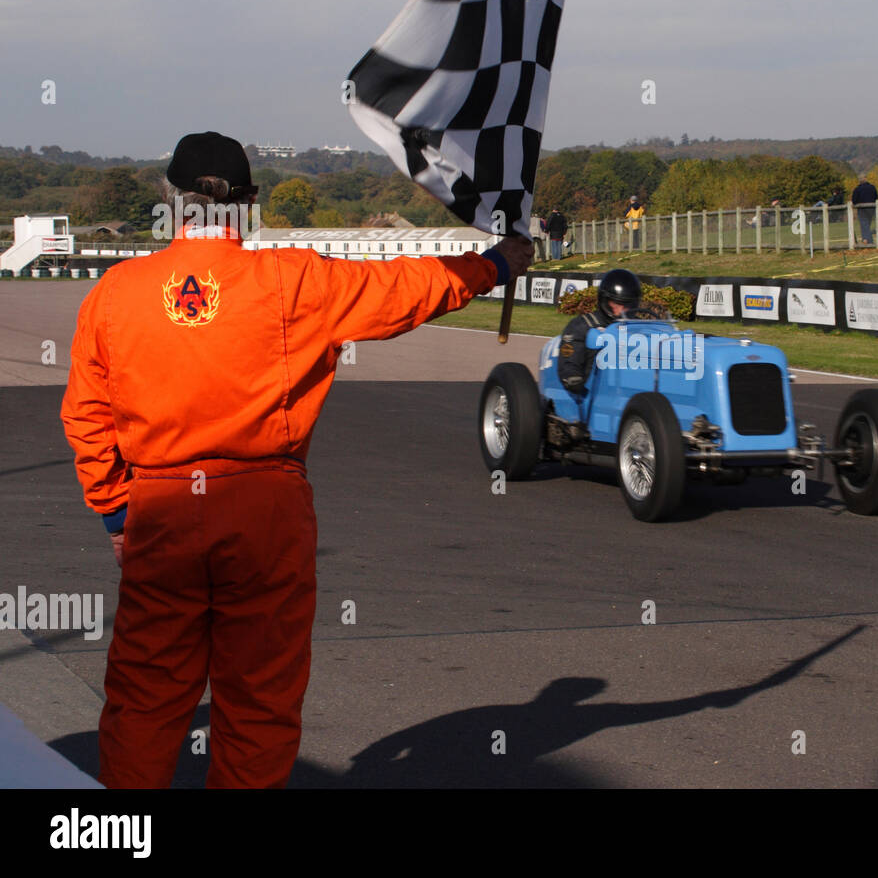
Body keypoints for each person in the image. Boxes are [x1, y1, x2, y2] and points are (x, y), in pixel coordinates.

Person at [60, 131, 532, 788]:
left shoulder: (115, 292)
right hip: (263, 510)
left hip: (160, 511)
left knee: (144, 700)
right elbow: (404, 291)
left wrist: (115, 514)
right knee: (257, 704)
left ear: (169, 200)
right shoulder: (295, 277)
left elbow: (85, 414)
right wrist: (497, 265)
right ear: (249, 203)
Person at [559, 269, 641, 398]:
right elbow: (570, 359)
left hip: (631, 389)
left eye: (627, 305)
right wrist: (572, 376)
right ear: (605, 300)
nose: (622, 310)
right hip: (592, 392)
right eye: (617, 304)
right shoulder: (583, 325)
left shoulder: (638, 326)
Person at [851, 175, 878, 245]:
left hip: (862, 209)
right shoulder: (872, 187)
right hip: (871, 209)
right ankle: (864, 239)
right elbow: (876, 197)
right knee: (866, 225)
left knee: (864, 225)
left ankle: (870, 240)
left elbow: (854, 200)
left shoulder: (857, 189)